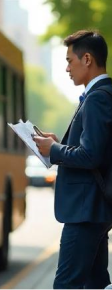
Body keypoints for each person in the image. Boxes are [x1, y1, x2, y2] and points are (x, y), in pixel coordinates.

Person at [33, 29, 112, 290]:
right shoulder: (101, 95)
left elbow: (90, 156)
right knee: (95, 282)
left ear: (87, 59)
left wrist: (54, 150)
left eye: (70, 60)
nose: (67, 68)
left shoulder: (97, 98)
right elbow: (96, 149)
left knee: (66, 284)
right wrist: (59, 144)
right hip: (93, 208)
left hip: (85, 210)